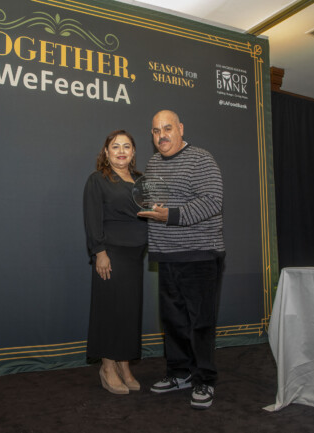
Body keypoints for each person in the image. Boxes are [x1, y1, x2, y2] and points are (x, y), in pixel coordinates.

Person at [137, 110, 225, 409]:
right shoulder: (151, 163)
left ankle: (204, 380)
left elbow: (213, 201)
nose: (161, 135)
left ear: (180, 129)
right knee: (173, 321)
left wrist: (171, 215)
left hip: (199, 254)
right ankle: (179, 373)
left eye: (167, 128)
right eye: (155, 130)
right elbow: (153, 202)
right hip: (167, 255)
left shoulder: (201, 158)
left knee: (200, 323)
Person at [83, 129, 148, 395]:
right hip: (111, 254)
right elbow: (92, 218)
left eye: (127, 146)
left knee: (129, 312)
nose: (121, 151)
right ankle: (107, 367)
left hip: (135, 255)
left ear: (133, 152)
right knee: (110, 311)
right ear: (106, 152)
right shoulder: (97, 180)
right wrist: (99, 252)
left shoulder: (142, 180)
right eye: (115, 146)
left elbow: (151, 213)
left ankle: (124, 365)